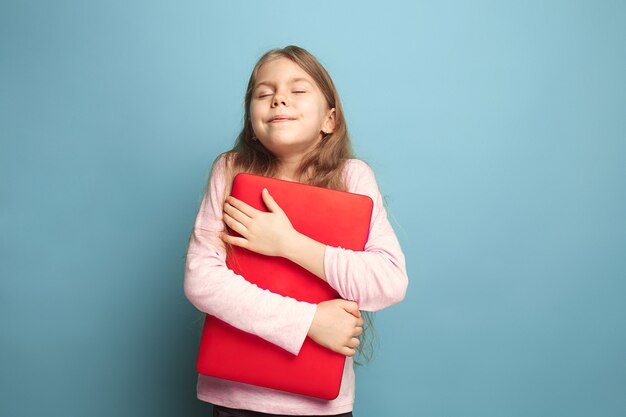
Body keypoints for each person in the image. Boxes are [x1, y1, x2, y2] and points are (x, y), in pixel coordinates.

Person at [184, 45, 408, 417]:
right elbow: (201, 279)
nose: (279, 99)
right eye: (264, 93)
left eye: (298, 90)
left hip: (320, 405)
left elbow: (389, 283)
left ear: (330, 120)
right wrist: (310, 322)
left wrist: (288, 243)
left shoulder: (353, 177)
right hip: (236, 399)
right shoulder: (229, 169)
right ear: (251, 122)